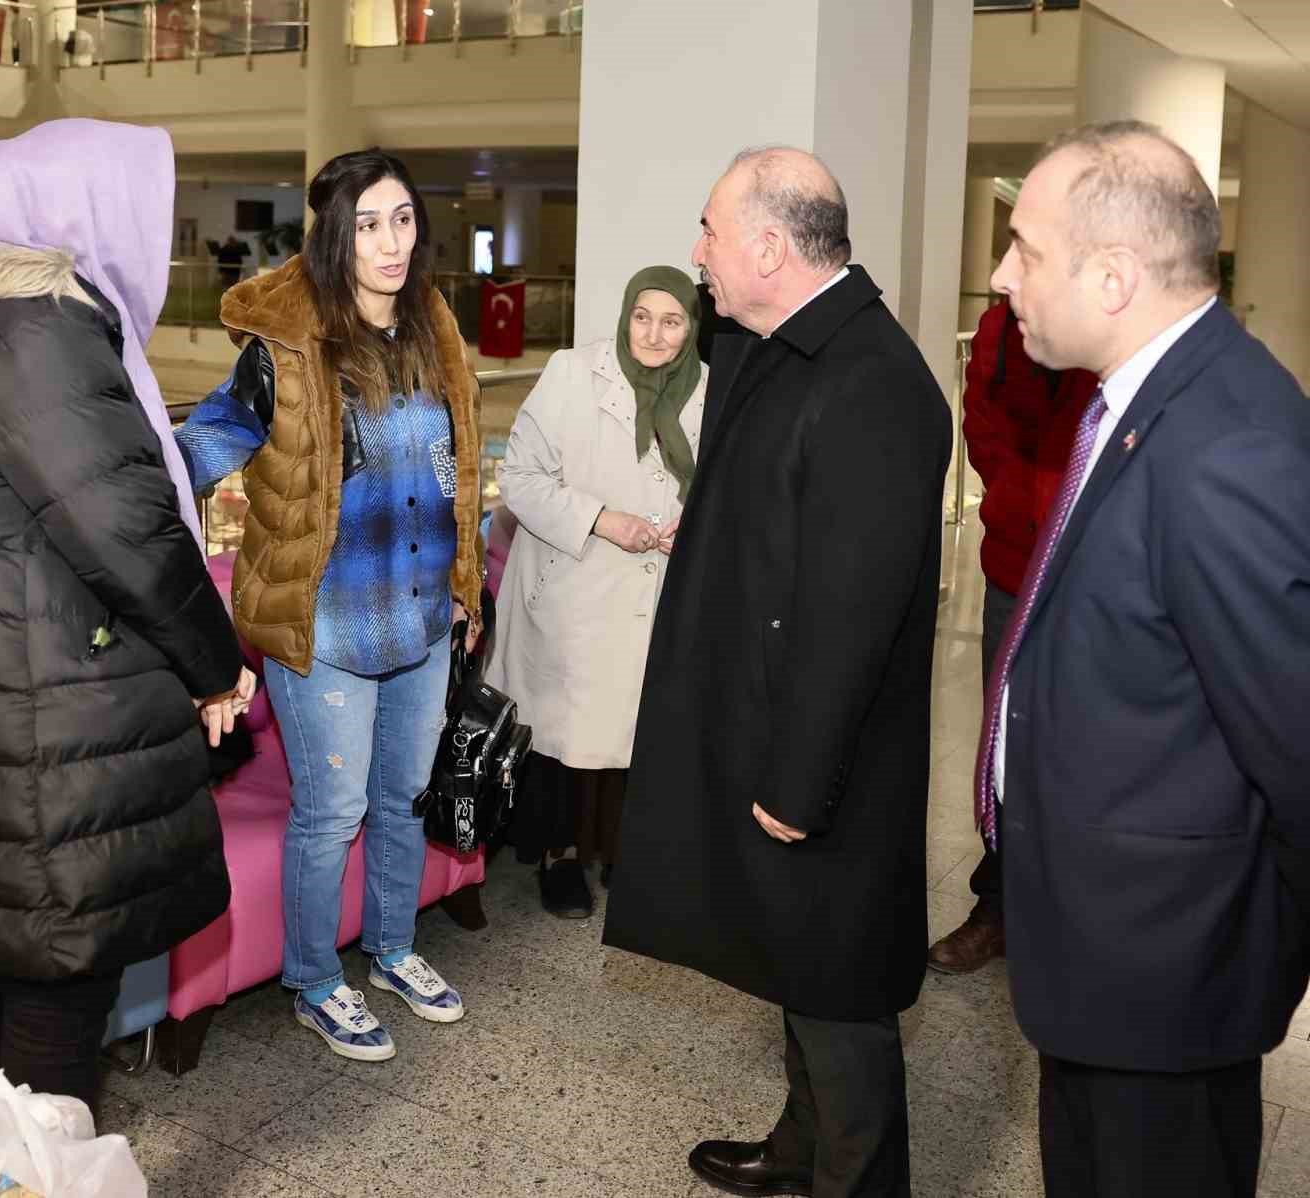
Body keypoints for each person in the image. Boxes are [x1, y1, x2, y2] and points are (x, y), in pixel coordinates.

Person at [0, 118, 255, 1115]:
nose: (150, 244)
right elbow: (136, 538)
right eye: (136, 212)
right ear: (74, 216)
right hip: (48, 747)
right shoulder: (37, 336)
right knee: (55, 1023)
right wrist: (216, 666)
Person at [604, 146, 951, 1198]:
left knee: (839, 984)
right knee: (797, 961)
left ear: (766, 244)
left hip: (823, 755)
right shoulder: (788, 342)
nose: (694, 254)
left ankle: (859, 1179)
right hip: (768, 721)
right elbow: (705, 331)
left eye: (708, 230)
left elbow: (851, 616)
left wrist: (800, 780)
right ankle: (802, 1151)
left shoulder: (874, 385)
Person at [984, 120, 1310, 1197]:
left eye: (1023, 248)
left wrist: (1247, 949)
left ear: (1114, 276)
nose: (999, 274)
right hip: (1107, 957)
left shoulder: (1224, 447)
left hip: (1168, 972)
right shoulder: (1144, 401)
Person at [174, 148, 483, 1063]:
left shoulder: (432, 326)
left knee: (401, 802)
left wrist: (464, 588)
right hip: (328, 628)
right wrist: (133, 485)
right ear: (335, 236)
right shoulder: (290, 346)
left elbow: (455, 468)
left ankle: (391, 950)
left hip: (422, 620)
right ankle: (314, 979)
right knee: (331, 813)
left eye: (402, 220)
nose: (390, 242)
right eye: (368, 224)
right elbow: (210, 438)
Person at [486, 266, 707, 919]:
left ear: (692, 326)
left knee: (631, 734)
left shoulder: (710, 390)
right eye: (643, 317)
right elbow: (520, 480)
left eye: (672, 321)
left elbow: (724, 482)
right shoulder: (572, 374)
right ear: (625, 315)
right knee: (567, 736)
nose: (655, 334)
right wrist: (604, 520)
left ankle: (616, 849)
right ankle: (559, 859)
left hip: (651, 590)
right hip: (574, 582)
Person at [926, 300, 1097, 975]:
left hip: (1099, 573)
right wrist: (1020, 500)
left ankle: (1074, 917)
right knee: (1006, 744)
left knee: (1089, 750)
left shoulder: (1121, 308)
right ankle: (997, 905)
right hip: (1013, 570)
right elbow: (984, 421)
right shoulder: (1003, 323)